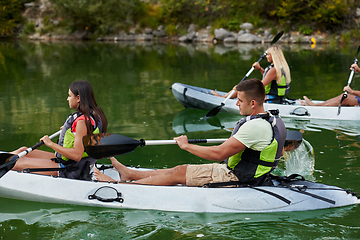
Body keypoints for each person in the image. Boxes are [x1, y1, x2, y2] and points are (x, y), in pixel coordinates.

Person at [93, 78, 287, 187]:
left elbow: (219, 153)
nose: (236, 104)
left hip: (237, 177)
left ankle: (123, 186)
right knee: (179, 168)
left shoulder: (255, 127)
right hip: (244, 172)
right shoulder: (272, 118)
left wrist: (186, 146)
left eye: (240, 101)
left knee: (179, 173)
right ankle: (130, 173)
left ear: (253, 103)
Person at [11, 80, 108, 180]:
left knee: (18, 162)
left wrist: (50, 144)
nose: (67, 99)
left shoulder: (82, 122)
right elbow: (85, 134)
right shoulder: (95, 114)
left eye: (70, 96)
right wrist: (69, 131)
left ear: (78, 98)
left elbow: (77, 155)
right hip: (70, 163)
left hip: (71, 168)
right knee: (22, 150)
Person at [212, 45, 291, 103]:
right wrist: (260, 69)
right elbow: (269, 78)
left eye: (268, 54)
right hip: (276, 97)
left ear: (273, 56)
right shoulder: (279, 67)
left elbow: (261, 85)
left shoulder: (274, 70)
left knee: (238, 88)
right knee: (240, 87)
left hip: (272, 99)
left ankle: (222, 98)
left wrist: (245, 87)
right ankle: (224, 97)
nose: (266, 56)